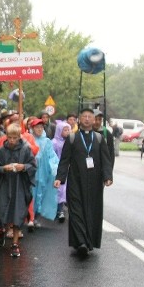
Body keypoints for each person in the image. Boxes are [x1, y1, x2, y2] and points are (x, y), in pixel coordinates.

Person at [54, 108, 113, 256]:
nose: (87, 119)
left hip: (94, 183)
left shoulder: (99, 138)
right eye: (84, 116)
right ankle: (80, 242)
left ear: (94, 121)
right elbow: (64, 160)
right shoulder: (72, 138)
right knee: (76, 211)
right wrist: (60, 178)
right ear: (80, 120)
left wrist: (107, 176)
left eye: (90, 117)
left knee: (92, 211)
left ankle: (89, 241)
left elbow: (106, 160)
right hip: (75, 180)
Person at [0, 124, 37, 257]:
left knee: (17, 212)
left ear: (19, 136)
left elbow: (33, 166)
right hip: (4, 185)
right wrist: (3, 168)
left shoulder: (26, 150)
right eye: (9, 137)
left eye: (15, 138)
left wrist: (24, 167)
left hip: (19, 186)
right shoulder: (0, 151)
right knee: (2, 210)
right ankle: (2, 230)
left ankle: (15, 244)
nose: (12, 140)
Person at [29, 117, 59, 227]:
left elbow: (52, 156)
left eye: (41, 127)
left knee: (40, 194)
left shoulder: (47, 142)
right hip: (30, 173)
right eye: (37, 127)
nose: (39, 129)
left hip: (43, 173)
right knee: (30, 194)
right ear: (32, 128)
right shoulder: (28, 140)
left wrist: (54, 167)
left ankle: (35, 216)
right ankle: (29, 217)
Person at [51, 120, 70, 222]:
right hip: (56, 169)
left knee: (64, 190)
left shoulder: (70, 142)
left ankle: (61, 209)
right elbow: (51, 155)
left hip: (66, 169)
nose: (67, 132)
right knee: (57, 190)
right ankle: (56, 210)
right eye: (65, 130)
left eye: (68, 130)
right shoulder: (54, 143)